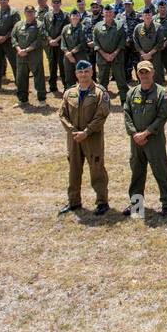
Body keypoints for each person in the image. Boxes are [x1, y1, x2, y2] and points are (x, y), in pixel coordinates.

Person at [59, 60, 112, 216]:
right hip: (74, 138)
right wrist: (73, 131)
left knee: (97, 169)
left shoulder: (99, 93)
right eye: (80, 72)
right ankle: (74, 202)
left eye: (86, 71)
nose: (83, 75)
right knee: (73, 170)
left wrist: (86, 132)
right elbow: (62, 114)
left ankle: (102, 202)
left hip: (92, 138)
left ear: (91, 72)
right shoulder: (69, 93)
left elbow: (101, 116)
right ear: (76, 74)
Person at [123, 60, 167, 217]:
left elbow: (163, 116)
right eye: (141, 72)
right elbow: (127, 114)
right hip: (136, 140)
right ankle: (136, 204)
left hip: (154, 140)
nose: (144, 75)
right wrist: (134, 134)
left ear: (153, 72)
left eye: (147, 72)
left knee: (160, 170)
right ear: (137, 74)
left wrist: (145, 134)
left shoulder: (161, 93)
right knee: (137, 172)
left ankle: (166, 203)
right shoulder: (132, 93)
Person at [11, 4, 48, 103]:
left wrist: (26, 50)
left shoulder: (39, 25)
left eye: (31, 12)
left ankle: (41, 99)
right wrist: (19, 50)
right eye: (28, 12)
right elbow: (13, 37)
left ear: (34, 13)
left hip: (34, 57)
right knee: (21, 78)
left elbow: (39, 40)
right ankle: (22, 100)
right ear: (24, 13)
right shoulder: (18, 25)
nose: (29, 14)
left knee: (39, 78)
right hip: (21, 57)